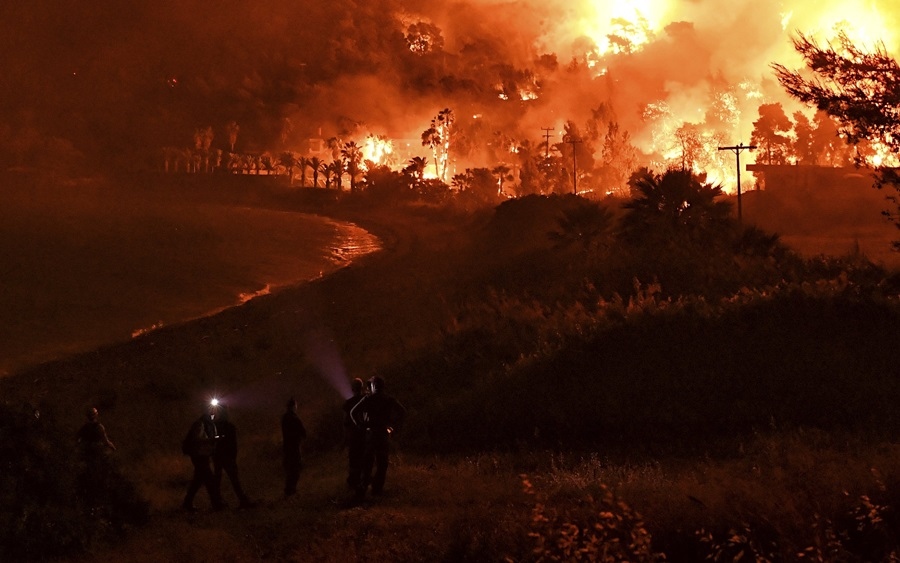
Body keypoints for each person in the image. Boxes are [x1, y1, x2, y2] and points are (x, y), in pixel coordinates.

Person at [350, 376, 406, 499]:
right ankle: (377, 488)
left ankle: (363, 487)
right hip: (383, 434)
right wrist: (393, 426)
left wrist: (361, 425)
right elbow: (402, 411)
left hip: (371, 434)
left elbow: (353, 412)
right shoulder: (388, 399)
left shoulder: (368, 399)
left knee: (368, 462)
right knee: (382, 463)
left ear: (373, 386)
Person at [181, 402, 224, 512]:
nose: (214, 411)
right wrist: (213, 440)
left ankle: (187, 503)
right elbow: (197, 439)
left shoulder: (208, 423)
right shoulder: (201, 424)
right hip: (199, 455)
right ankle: (217, 505)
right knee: (210, 480)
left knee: (198, 480)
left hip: (202, 455)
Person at [212, 404, 253, 509]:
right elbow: (233, 444)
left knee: (218, 480)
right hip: (226, 457)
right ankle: (242, 501)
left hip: (219, 456)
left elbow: (213, 440)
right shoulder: (229, 426)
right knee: (234, 480)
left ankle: (217, 502)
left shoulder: (216, 425)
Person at [342, 378, 367, 491]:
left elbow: (346, 421)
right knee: (364, 457)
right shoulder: (366, 400)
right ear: (361, 388)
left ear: (352, 389)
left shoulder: (348, 403)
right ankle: (363, 480)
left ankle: (354, 481)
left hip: (353, 435)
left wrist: (346, 436)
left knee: (354, 458)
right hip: (364, 434)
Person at [281, 397, 307, 498]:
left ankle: (288, 489)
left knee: (290, 469)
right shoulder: (295, 419)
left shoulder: (284, 418)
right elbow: (303, 433)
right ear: (293, 406)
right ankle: (291, 490)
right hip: (295, 447)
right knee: (296, 469)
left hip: (287, 447)